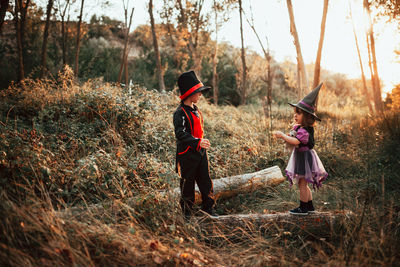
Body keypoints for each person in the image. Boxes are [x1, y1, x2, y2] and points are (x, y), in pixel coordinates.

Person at [273, 83, 328, 215]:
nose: (295, 115)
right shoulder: (299, 128)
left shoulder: (304, 131)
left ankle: (303, 208)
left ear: (307, 117)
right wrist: (287, 134)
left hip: (305, 158)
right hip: (302, 157)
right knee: (304, 184)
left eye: (298, 113)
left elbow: (295, 141)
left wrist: (282, 136)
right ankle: (309, 206)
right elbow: (293, 139)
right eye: (295, 113)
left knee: (302, 184)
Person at [173, 70, 217, 219]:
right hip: (186, 155)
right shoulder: (179, 113)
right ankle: (187, 215)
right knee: (187, 186)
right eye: (198, 92)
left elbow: (199, 130)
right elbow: (180, 133)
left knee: (206, 182)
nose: (200, 95)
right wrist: (197, 141)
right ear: (189, 93)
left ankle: (208, 211)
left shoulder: (197, 110)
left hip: (201, 153)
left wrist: (202, 141)